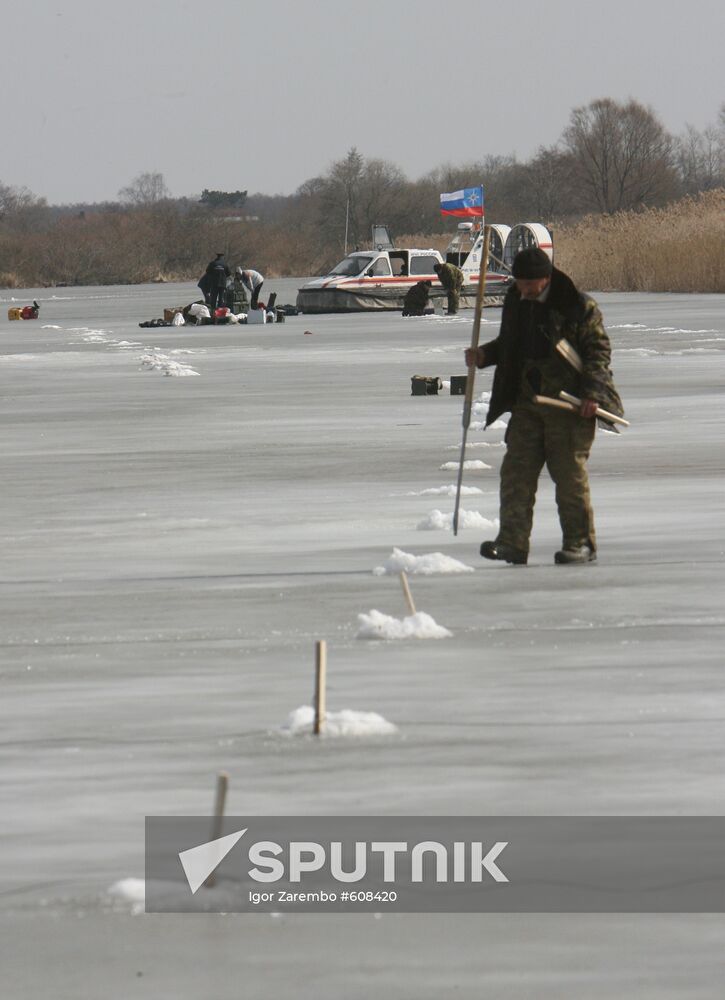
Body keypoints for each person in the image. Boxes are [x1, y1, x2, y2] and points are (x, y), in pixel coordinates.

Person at [464, 247, 623, 566]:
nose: (522, 290)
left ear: (545, 279)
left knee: (568, 477)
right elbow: (510, 345)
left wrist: (592, 393)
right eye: (519, 283)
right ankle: (512, 542)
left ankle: (579, 544)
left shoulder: (577, 304)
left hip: (570, 406)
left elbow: (598, 353)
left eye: (528, 285)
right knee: (515, 473)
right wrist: (484, 355)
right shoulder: (516, 300)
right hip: (528, 403)